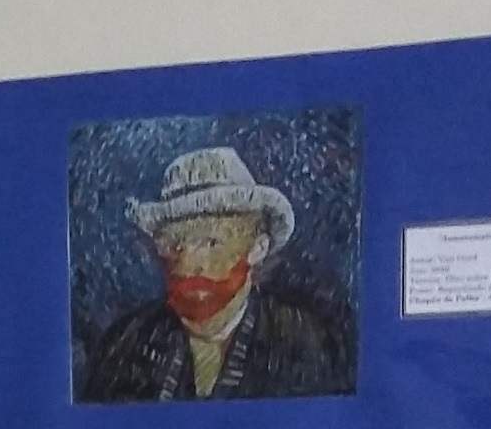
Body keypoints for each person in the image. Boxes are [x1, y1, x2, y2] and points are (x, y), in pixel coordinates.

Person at [79, 146, 354, 402]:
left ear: (257, 248)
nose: (187, 263)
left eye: (210, 242)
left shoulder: (305, 343)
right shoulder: (124, 344)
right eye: (174, 245)